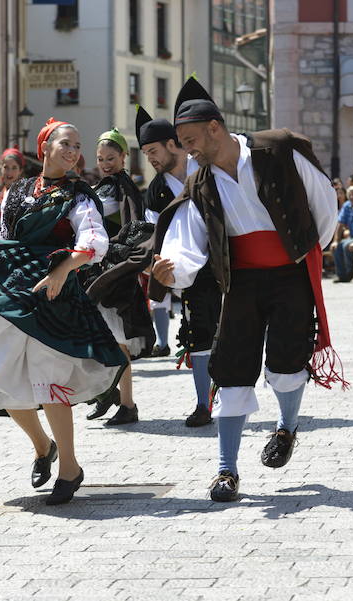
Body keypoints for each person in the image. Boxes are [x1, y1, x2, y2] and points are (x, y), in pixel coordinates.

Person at [150, 77, 342, 502]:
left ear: (215, 127)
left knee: (288, 362)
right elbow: (187, 235)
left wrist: (306, 251)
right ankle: (226, 471)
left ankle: (287, 427)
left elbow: (322, 201)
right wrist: (173, 270)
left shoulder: (276, 151)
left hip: (291, 274)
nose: (187, 150)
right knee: (232, 370)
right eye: (181, 143)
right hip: (239, 283)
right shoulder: (200, 182)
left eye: (190, 139)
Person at [0, 117, 127, 505]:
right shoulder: (15, 191)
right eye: (66, 144)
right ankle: (43, 447)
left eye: (77, 145)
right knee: (1, 378)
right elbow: (1, 239)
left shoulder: (79, 196)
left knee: (50, 379)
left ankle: (70, 468)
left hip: (52, 292)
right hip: (10, 290)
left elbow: (94, 240)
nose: (74, 152)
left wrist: (63, 268)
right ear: (44, 148)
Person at [136, 105, 219, 427]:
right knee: (199, 333)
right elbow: (153, 233)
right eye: (145, 153)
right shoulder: (155, 191)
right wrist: (154, 264)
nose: (151, 159)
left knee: (228, 332)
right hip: (189, 271)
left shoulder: (209, 167)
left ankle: (224, 387)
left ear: (173, 144)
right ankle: (203, 404)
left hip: (226, 261)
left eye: (153, 150)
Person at [80, 127, 155, 426]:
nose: (106, 163)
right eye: (101, 158)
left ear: (124, 156)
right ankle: (108, 395)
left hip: (113, 271)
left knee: (117, 341)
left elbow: (130, 226)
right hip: (99, 269)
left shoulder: (122, 187)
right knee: (102, 338)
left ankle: (126, 403)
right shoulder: (104, 185)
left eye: (111, 157)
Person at [0, 148, 25, 247]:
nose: (9, 172)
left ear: (20, 171)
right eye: (6, 167)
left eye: (14, 168)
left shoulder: (25, 196)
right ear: (1, 168)